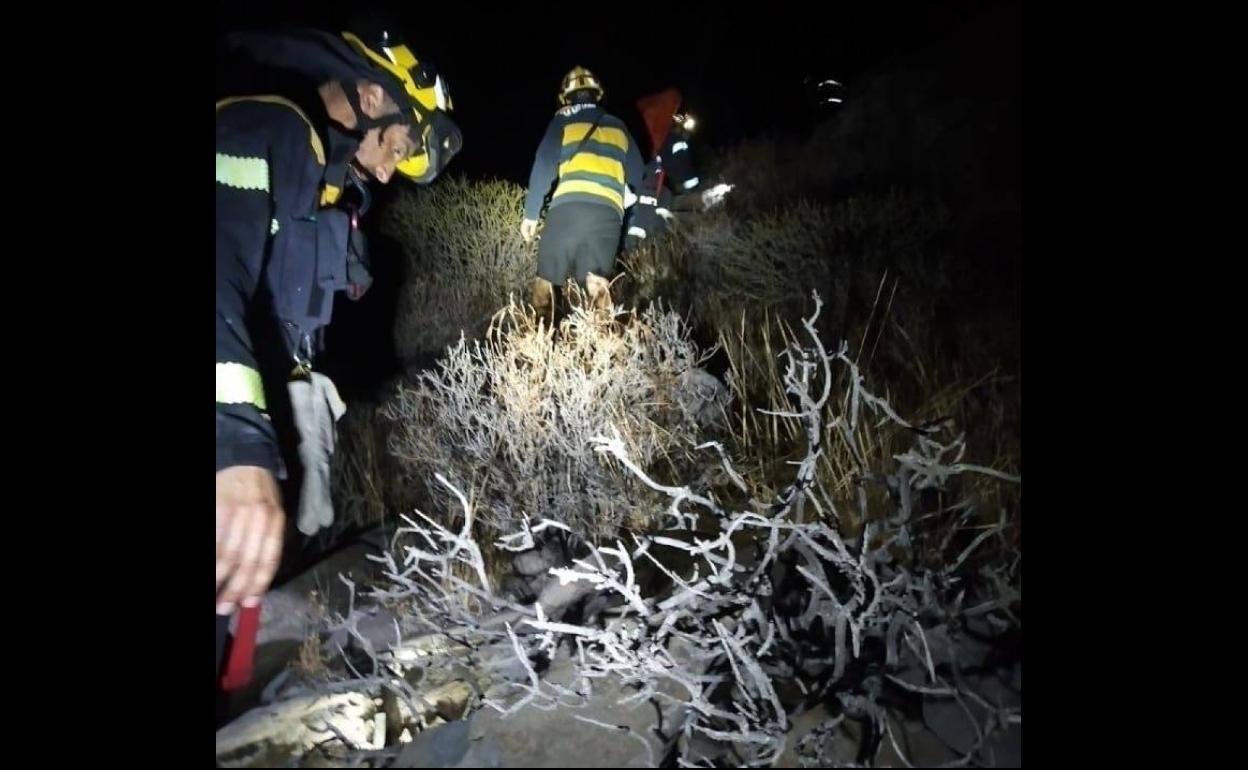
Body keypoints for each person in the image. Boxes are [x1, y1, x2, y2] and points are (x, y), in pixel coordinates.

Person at [215, 24, 461, 680]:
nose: (388, 171)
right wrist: (233, 449)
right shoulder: (263, 129)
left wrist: (299, 396)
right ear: (374, 97)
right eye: (397, 147)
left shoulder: (324, 180)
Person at [520, 66, 644, 322]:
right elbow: (638, 176)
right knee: (598, 288)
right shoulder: (619, 127)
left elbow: (544, 162)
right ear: (597, 95)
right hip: (608, 214)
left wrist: (531, 214)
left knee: (545, 282)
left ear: (567, 97)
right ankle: (601, 352)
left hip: (567, 209)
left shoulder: (562, 120)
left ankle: (539, 347)